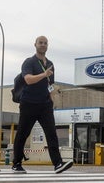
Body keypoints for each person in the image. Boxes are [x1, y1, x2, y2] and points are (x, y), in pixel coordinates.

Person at [12, 36, 73, 173]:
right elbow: (28, 80)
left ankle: (57, 163)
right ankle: (16, 164)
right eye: (40, 43)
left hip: (45, 104)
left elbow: (50, 84)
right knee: (23, 133)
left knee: (51, 133)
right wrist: (44, 74)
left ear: (47, 46)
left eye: (45, 43)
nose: (43, 45)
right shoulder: (29, 62)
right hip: (29, 103)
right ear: (35, 44)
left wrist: (52, 100)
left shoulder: (50, 63)